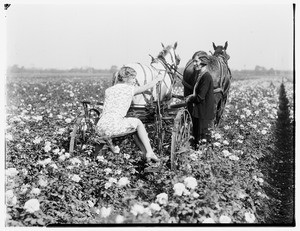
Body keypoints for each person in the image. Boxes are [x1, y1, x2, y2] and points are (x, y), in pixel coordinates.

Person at [95, 66, 163, 163]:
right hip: (114, 126)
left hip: (100, 126)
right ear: (127, 78)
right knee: (138, 122)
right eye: (133, 78)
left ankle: (98, 158)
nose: (134, 80)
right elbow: (147, 86)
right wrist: (157, 79)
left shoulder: (108, 90)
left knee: (131, 126)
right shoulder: (130, 89)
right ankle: (149, 152)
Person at [185, 51, 215, 148]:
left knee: (202, 142)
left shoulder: (206, 77)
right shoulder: (201, 75)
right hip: (200, 112)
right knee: (198, 142)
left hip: (204, 114)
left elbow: (200, 97)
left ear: (203, 62)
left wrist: (189, 99)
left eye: (196, 61)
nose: (194, 64)